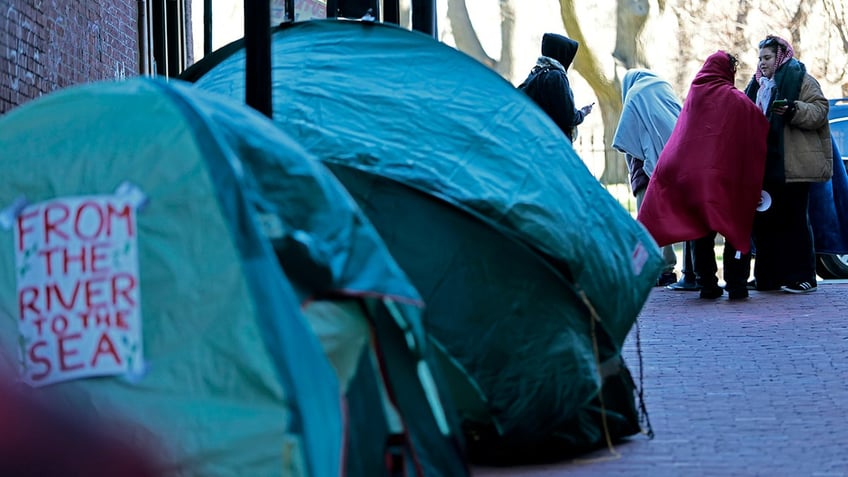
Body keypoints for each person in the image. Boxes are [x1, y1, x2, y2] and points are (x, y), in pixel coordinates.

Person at [637, 51, 770, 300]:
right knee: (734, 227)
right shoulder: (737, 100)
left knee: (701, 230)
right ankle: (736, 284)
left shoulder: (695, 94)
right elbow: (758, 124)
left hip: (692, 178)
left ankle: (707, 283)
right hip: (724, 178)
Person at [743, 35, 833, 294]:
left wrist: (793, 109)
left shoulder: (802, 79)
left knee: (794, 221)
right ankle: (767, 277)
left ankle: (802, 277)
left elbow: (819, 110)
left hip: (793, 164)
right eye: (759, 58)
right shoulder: (758, 85)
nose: (762, 63)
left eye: (767, 58)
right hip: (764, 165)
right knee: (764, 223)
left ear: (781, 56)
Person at [612, 68, 687, 287]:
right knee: (670, 217)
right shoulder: (663, 90)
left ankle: (657, 269)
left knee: (647, 221)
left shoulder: (634, 96)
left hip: (644, 171)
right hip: (673, 161)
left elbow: (625, 138)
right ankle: (671, 267)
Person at [518, 33, 594, 142]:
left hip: (535, 140)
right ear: (561, 54)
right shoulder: (556, 76)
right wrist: (583, 113)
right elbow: (569, 116)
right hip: (552, 142)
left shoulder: (536, 73)